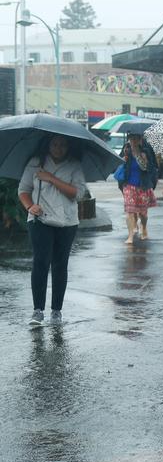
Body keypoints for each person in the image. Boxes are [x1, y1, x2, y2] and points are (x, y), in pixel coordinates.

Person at [18, 135, 86, 326]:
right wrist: (30, 206)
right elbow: (23, 190)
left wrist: (51, 178)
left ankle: (56, 311)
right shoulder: (35, 163)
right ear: (47, 144)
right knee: (40, 262)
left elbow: (77, 194)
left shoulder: (75, 165)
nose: (58, 148)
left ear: (68, 147)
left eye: (63, 145)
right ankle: (37, 310)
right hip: (40, 220)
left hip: (67, 222)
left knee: (59, 264)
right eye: (55, 144)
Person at [120, 132, 158, 244]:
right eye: (131, 139)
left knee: (143, 214)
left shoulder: (146, 151)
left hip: (143, 185)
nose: (134, 141)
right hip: (128, 184)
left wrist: (143, 159)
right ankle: (130, 236)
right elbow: (119, 163)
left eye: (136, 139)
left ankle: (144, 227)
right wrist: (124, 159)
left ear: (141, 139)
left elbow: (150, 168)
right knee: (129, 211)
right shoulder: (126, 149)